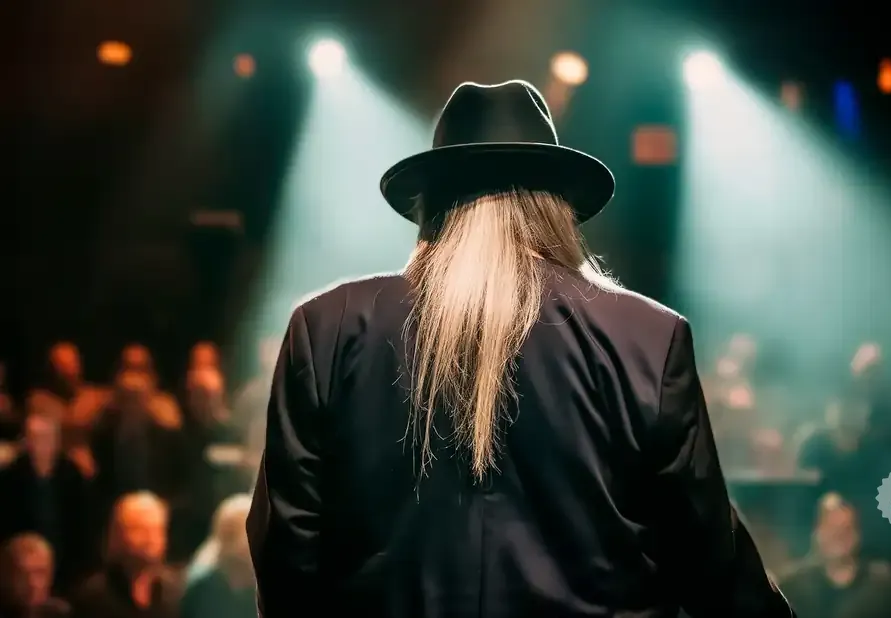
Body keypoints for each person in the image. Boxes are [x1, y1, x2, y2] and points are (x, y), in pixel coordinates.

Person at [246, 79, 794, 618]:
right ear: (557, 204)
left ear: (431, 206)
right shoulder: (646, 337)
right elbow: (710, 564)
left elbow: (287, 554)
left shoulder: (326, 329)